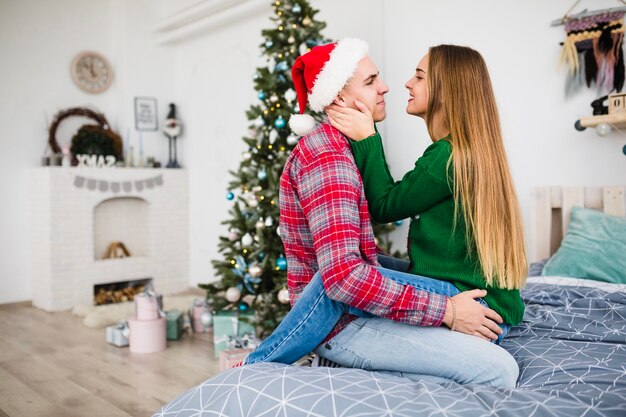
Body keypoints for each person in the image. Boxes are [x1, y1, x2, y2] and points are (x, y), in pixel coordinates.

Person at [243, 39, 521, 388]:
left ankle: (260, 364)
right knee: (346, 274)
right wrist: (448, 311)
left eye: (418, 76)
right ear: (340, 97)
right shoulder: (329, 157)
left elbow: (384, 209)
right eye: (372, 80)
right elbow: (344, 277)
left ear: (446, 90)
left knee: (355, 270)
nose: (394, 85)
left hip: (470, 301)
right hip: (360, 317)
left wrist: (367, 140)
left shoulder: (446, 155)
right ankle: (254, 369)